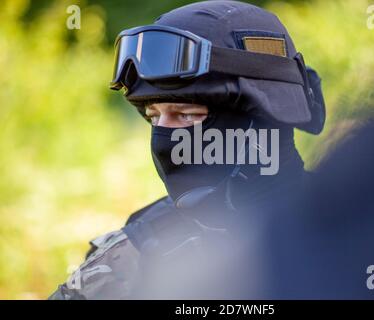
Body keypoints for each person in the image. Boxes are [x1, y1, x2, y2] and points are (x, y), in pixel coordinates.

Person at [49, 0, 326, 299]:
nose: (164, 137)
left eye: (186, 115)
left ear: (263, 117)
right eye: (154, 116)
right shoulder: (131, 258)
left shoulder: (362, 232)